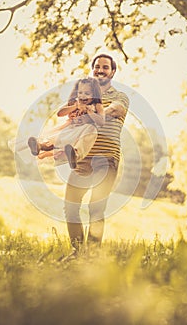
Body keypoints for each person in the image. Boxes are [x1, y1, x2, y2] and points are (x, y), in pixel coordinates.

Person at [63, 54, 129, 252]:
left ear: (113, 72)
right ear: (93, 69)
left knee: (96, 208)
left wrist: (95, 115)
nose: (100, 70)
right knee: (71, 206)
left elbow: (116, 110)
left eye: (105, 67)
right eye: (97, 66)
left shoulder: (119, 97)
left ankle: (92, 256)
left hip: (106, 159)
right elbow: (69, 116)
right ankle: (77, 252)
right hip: (83, 159)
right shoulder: (83, 96)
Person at [27, 77, 105, 168]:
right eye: (80, 93)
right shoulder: (75, 103)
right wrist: (74, 107)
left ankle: (75, 154)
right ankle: (40, 146)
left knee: (91, 131)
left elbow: (101, 122)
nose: (83, 96)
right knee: (58, 138)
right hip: (71, 128)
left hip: (85, 131)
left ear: (94, 94)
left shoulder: (97, 105)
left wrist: (90, 112)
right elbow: (60, 113)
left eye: (87, 93)